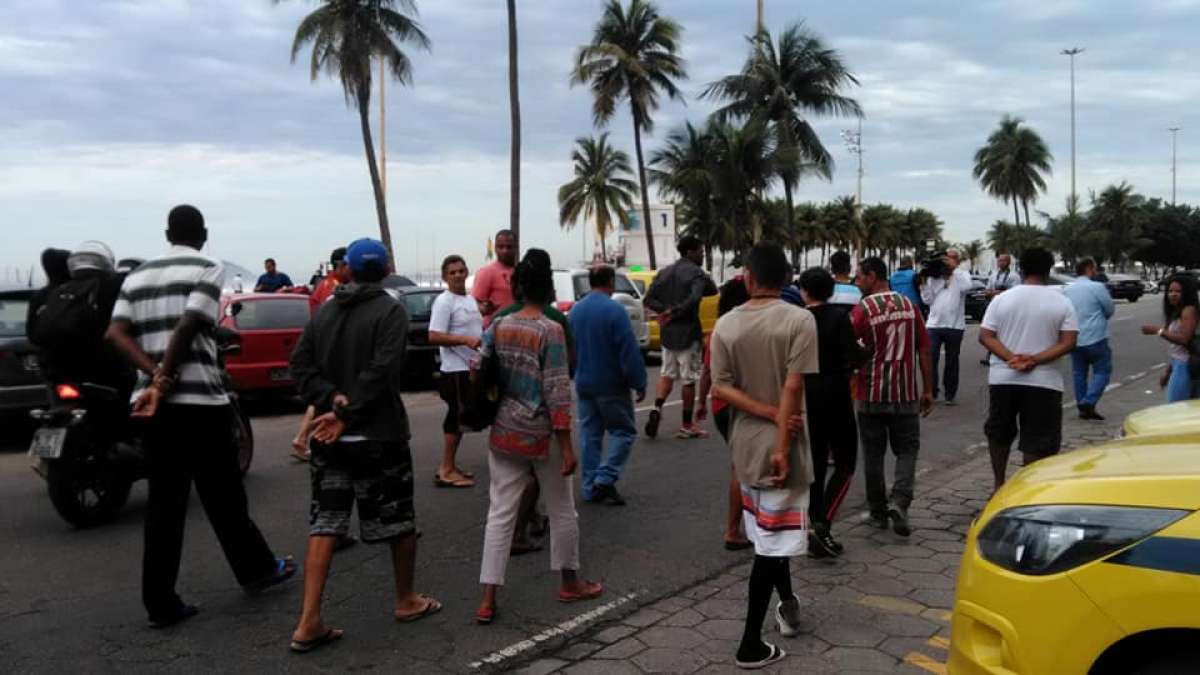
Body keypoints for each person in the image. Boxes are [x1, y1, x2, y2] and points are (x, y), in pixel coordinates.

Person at [106, 205, 295, 629]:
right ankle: (257, 570)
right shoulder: (208, 266)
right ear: (204, 234)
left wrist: (151, 375)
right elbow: (192, 321)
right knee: (224, 495)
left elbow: (115, 333)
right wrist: (167, 374)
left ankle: (160, 602)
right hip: (199, 403)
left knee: (164, 504)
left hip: (154, 408)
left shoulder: (137, 276)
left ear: (166, 232)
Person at [287, 238, 440, 653]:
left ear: (347, 269)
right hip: (378, 436)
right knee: (399, 520)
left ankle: (308, 620)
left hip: (329, 439)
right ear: (387, 267)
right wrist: (347, 410)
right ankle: (406, 599)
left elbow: (299, 366)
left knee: (325, 523)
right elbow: (383, 370)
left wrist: (332, 401)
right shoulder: (390, 310)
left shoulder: (326, 312)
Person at [475, 257, 602, 625]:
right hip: (542, 433)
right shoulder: (550, 330)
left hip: (504, 431)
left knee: (499, 514)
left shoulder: (499, 325)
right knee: (562, 508)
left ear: (516, 288)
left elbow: (478, 368)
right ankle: (569, 583)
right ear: (548, 289)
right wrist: (566, 446)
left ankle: (487, 598)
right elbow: (557, 391)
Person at [710, 241, 816, 670]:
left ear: (748, 279)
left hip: (745, 443)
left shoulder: (726, 326)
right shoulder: (799, 320)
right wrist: (781, 439)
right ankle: (750, 643)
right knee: (771, 549)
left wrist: (763, 414)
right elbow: (794, 387)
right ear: (788, 279)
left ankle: (788, 605)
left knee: (770, 536)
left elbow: (721, 387)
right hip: (783, 445)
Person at [979, 247, 1078, 491]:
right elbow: (1068, 342)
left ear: (1020, 269)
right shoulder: (1062, 302)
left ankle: (998, 484)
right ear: (1048, 270)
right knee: (1039, 440)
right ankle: (1029, 491)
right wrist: (1034, 360)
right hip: (1044, 382)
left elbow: (986, 336)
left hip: (1003, 378)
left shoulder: (1002, 299)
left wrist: (1011, 358)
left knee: (999, 432)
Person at [852, 257, 935, 536]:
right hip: (905, 394)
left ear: (873, 276)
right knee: (907, 450)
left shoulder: (862, 310)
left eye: (860, 277)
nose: (857, 281)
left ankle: (877, 513)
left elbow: (850, 348)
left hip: (870, 394)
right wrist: (927, 389)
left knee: (873, 456)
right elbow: (924, 350)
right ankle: (900, 501)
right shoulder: (910, 307)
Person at [798, 267, 870, 557]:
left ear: (804, 290)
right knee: (845, 463)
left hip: (807, 394)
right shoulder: (839, 317)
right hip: (836, 393)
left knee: (814, 466)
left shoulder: (797, 319)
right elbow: (854, 354)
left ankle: (812, 524)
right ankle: (821, 523)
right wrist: (866, 352)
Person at [569, 265, 647, 506]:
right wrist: (639, 382)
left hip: (584, 383)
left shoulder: (575, 311)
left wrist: (574, 374)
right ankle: (605, 477)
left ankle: (590, 487)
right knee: (623, 432)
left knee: (590, 436)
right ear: (611, 282)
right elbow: (628, 351)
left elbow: (570, 350)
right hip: (611, 385)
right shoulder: (615, 311)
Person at [643, 235, 716, 440]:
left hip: (668, 332)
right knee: (689, 380)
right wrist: (675, 311)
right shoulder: (696, 273)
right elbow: (696, 298)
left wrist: (665, 312)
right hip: (688, 332)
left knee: (667, 373)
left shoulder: (664, 272)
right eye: (701, 252)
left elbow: (649, 298)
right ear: (690, 252)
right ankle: (686, 424)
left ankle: (657, 407)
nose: (702, 255)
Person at [698, 277, 753, 550]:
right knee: (742, 467)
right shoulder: (746, 325)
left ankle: (742, 525)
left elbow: (707, 372)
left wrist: (699, 403)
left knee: (741, 463)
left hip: (720, 405)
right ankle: (732, 530)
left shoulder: (718, 328)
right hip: (740, 403)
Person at [292, 247, 353, 460]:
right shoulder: (332, 288)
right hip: (325, 345)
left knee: (321, 399)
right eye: (347, 265)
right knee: (324, 398)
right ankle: (304, 437)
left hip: (321, 342)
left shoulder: (326, 284)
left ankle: (302, 437)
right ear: (339, 266)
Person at [428, 254, 483, 488]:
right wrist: (464, 340)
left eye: (461, 271)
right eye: (452, 272)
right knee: (455, 417)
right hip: (454, 370)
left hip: (470, 368)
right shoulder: (444, 301)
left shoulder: (469, 299)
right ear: (444, 277)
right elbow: (434, 335)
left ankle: (452, 466)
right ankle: (446, 469)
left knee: (462, 419)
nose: (458, 275)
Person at [919, 249, 972, 405]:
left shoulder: (962, 275)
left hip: (955, 326)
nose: (947, 261)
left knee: (952, 361)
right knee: (931, 358)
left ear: (956, 261)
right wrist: (924, 283)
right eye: (946, 259)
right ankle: (932, 392)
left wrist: (953, 270)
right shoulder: (933, 277)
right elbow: (927, 300)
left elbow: (967, 286)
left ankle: (950, 394)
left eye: (952, 258)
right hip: (934, 325)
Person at [1064, 258, 1115, 420]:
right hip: (1096, 337)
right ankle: (1089, 401)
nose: (1096, 271)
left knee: (1079, 374)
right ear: (1088, 269)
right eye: (1094, 268)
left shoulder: (1068, 290)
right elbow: (1109, 309)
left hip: (1075, 338)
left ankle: (1083, 408)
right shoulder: (1097, 287)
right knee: (1103, 371)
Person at [1142, 274, 1200, 403]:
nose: (1173, 294)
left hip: (1186, 366)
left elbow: (1184, 339)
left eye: (1178, 291)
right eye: (1170, 291)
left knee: (1175, 409)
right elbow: (1177, 351)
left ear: (1187, 293)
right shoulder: (1177, 311)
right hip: (1179, 364)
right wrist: (1168, 373)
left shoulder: (1189, 310)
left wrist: (1158, 330)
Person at [473, 229, 517, 328]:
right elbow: (473, 303)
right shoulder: (486, 272)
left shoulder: (521, 272)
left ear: (515, 248)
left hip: (519, 331)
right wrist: (484, 308)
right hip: (494, 333)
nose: (504, 251)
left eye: (509, 247)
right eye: (500, 247)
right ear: (495, 248)